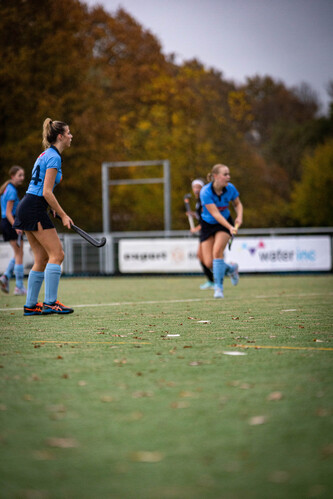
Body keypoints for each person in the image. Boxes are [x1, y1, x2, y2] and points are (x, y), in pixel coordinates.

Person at [13, 118, 74, 315]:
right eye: (69, 133)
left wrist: (51, 206)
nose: (71, 136)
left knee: (41, 258)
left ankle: (31, 305)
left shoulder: (44, 155)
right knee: (58, 255)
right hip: (34, 207)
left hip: (29, 205)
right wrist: (64, 215)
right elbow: (47, 191)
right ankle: (50, 303)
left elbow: (41, 190)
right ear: (60, 136)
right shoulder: (54, 157)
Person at [200, 163, 243, 298]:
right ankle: (231, 269)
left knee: (217, 252)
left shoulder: (230, 189)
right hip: (208, 224)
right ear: (215, 176)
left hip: (224, 224)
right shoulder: (205, 192)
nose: (228, 177)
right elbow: (215, 214)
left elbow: (237, 204)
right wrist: (230, 227)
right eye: (225, 174)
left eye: (228, 174)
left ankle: (218, 288)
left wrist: (239, 218)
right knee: (208, 263)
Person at [0, 166, 26, 295]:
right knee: (19, 254)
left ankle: (5, 276)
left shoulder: (7, 189)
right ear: (12, 176)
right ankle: (19, 286)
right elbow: (9, 213)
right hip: (11, 222)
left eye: (23, 175)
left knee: (17, 253)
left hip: (7, 223)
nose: (22, 178)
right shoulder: (11, 191)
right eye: (20, 175)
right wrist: (17, 226)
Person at [185, 179, 214, 290]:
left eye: (198, 187)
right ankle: (211, 281)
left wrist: (196, 228)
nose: (196, 189)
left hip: (208, 231)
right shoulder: (198, 202)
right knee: (201, 257)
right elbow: (200, 217)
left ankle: (228, 269)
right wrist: (193, 214)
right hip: (204, 232)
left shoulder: (204, 201)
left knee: (208, 260)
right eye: (194, 187)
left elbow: (208, 219)